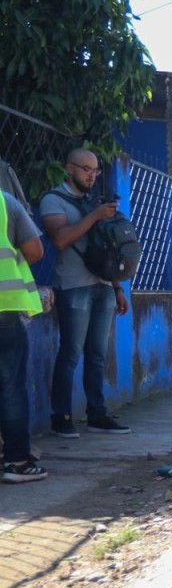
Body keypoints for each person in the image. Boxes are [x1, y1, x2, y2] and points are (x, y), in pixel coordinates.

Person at [40, 148, 131, 438]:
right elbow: (60, 239)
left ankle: (97, 414)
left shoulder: (95, 202)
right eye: (85, 169)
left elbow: (108, 248)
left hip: (103, 286)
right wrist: (93, 216)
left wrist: (118, 288)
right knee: (71, 353)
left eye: (96, 170)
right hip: (73, 285)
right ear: (69, 168)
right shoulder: (53, 200)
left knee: (97, 355)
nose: (91, 175)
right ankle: (61, 417)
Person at [1, 190, 48, 483]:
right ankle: (17, 462)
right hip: (4, 308)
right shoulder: (5, 201)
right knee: (10, 387)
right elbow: (35, 251)